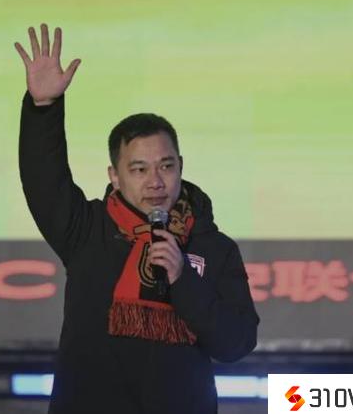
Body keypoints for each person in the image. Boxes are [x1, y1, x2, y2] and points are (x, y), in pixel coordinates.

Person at [15, 23, 259, 414]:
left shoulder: (214, 247)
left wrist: (183, 278)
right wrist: (43, 108)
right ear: (115, 176)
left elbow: (236, 344)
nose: (155, 181)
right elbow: (44, 180)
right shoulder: (88, 229)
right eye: (139, 169)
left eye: (166, 166)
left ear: (181, 166)